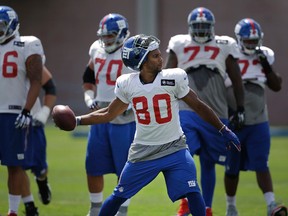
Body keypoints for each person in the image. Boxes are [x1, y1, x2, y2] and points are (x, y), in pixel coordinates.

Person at [56, 34, 241, 216]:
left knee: (193, 191)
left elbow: (199, 106)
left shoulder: (174, 78)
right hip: (143, 151)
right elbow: (108, 113)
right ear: (142, 60)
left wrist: (223, 129)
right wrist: (78, 120)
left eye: (159, 54)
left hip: (175, 147)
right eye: (155, 55)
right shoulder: (127, 83)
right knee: (118, 196)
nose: (161, 58)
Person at [165, 7, 245, 216]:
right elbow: (166, 75)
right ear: (190, 28)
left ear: (212, 28)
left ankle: (206, 207)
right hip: (187, 107)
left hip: (216, 108)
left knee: (209, 162)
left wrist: (240, 107)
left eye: (204, 27)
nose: (200, 31)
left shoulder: (225, 44)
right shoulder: (179, 43)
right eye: (197, 27)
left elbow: (236, 79)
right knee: (185, 155)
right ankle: (186, 202)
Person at [224, 18, 287, 216]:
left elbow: (276, 86)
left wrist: (265, 65)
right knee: (232, 167)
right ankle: (231, 206)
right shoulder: (230, 54)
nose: (251, 44)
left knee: (262, 163)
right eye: (248, 41)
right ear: (239, 39)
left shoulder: (265, 55)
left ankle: (270, 205)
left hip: (259, 120)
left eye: (254, 40)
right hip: (234, 120)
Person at [81, 13, 135, 216]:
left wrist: (135, 103)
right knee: (93, 164)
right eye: (104, 36)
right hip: (99, 113)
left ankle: (122, 210)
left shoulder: (132, 50)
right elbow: (87, 76)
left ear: (121, 34)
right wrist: (88, 97)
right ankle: (95, 209)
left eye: (111, 35)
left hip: (124, 115)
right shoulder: (96, 48)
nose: (107, 40)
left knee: (124, 168)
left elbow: (144, 82)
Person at [0, 6, 45, 216]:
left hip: (13, 113)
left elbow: (37, 80)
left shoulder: (27, 44)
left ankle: (13, 211)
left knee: (14, 165)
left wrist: (27, 111)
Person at [21, 66, 56, 215]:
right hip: (7, 120)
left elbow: (50, 87)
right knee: (16, 167)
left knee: (40, 168)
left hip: (32, 120)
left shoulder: (27, 53)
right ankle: (29, 206)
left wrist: (44, 112)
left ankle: (42, 180)